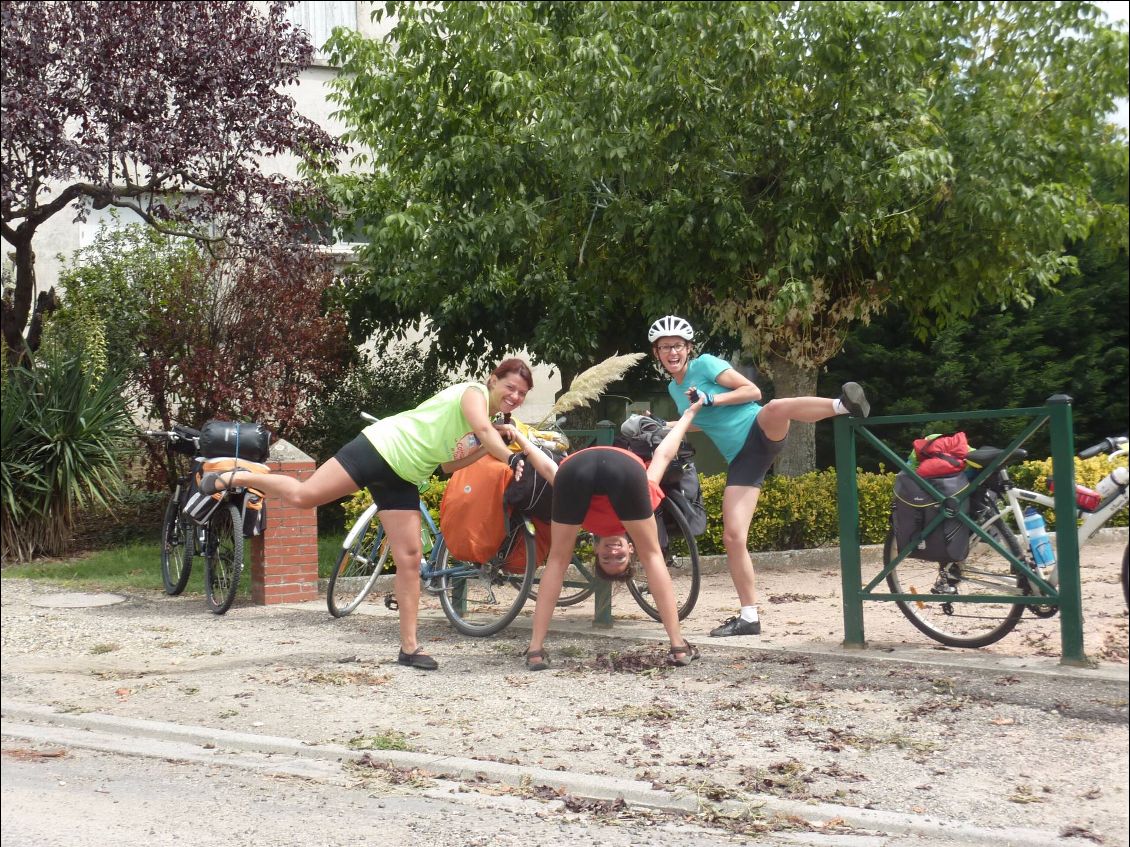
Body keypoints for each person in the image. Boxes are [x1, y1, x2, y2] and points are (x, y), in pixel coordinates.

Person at [199, 358, 535, 670]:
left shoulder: (484, 428)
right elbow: (487, 431)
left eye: (522, 393)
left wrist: (483, 450)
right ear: (493, 380)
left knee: (409, 558)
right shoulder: (473, 393)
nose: (515, 396)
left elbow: (448, 465)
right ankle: (239, 477)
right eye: (510, 387)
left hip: (405, 476)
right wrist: (511, 458)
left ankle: (409, 648)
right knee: (305, 496)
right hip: (380, 448)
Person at [646, 315, 870, 638]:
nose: (672, 352)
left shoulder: (706, 365)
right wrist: (665, 425)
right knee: (733, 537)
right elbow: (699, 421)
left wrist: (712, 398)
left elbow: (751, 392)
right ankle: (749, 617)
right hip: (741, 458)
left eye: (678, 346)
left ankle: (843, 405)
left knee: (777, 406)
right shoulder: (673, 388)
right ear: (657, 353)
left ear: (689, 348)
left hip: (759, 429)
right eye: (665, 347)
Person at [501, 396, 706, 671]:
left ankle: (535, 650)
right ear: (630, 549)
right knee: (653, 555)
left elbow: (550, 469)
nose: (613, 553)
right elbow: (664, 454)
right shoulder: (644, 502)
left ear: (595, 550)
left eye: (606, 559)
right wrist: (688, 416)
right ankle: (679, 646)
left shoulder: (585, 518)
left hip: (576, 470)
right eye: (619, 559)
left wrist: (521, 439)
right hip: (623, 469)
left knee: (557, 560)